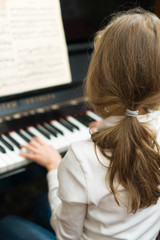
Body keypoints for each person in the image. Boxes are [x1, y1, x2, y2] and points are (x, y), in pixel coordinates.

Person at [1, 7, 160, 240]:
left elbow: (68, 237)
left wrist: (55, 167)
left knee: (7, 223)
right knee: (39, 202)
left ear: (97, 76)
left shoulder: (80, 157)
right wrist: (110, 130)